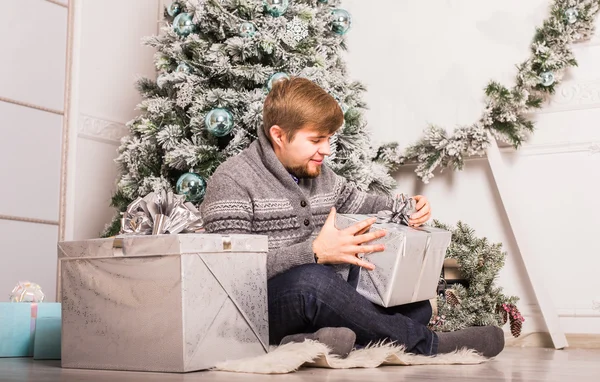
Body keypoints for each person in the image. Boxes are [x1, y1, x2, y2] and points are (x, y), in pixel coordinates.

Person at [201, 77, 504, 358]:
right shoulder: (232, 180)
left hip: (319, 301)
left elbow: (366, 203)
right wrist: (314, 253)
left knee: (417, 306)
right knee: (313, 281)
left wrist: (407, 207)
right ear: (279, 135)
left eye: (329, 138)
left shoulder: (320, 175)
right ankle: (430, 345)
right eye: (317, 139)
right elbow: (231, 275)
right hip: (256, 309)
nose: (327, 150)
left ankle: (309, 342)